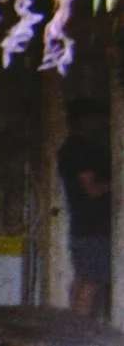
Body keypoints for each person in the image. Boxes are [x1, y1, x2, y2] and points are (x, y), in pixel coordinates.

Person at [58, 96, 112, 317]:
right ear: (84, 120)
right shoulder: (80, 150)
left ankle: (76, 328)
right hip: (93, 227)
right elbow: (92, 189)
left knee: (85, 280)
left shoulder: (74, 148)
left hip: (86, 225)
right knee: (91, 282)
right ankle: (79, 331)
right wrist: (117, 182)